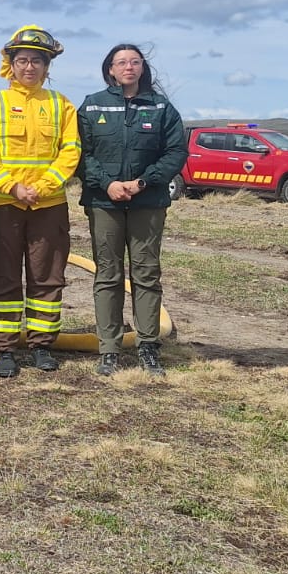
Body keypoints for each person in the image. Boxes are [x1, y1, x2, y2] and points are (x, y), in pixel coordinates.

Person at [0, 26, 82, 378]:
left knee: (47, 279)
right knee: (3, 278)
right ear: (10, 64)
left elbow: (71, 151)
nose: (29, 67)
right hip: (3, 206)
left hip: (48, 206)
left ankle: (41, 346)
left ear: (47, 66)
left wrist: (44, 185)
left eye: (37, 60)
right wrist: (12, 187)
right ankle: (3, 350)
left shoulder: (62, 104)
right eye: (22, 60)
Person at [77, 43, 186, 377]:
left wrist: (141, 183)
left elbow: (175, 151)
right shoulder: (92, 105)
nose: (128, 67)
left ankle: (148, 346)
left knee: (146, 274)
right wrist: (107, 183)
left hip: (147, 202)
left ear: (142, 68)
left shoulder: (160, 107)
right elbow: (81, 153)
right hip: (104, 201)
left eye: (134, 62)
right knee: (107, 274)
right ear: (110, 68)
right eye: (121, 62)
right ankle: (109, 348)